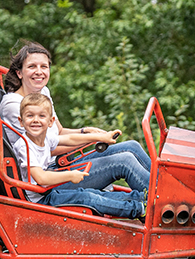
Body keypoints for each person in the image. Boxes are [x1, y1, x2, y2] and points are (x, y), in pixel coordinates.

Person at [0, 42, 150, 193]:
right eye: (32, 67)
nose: (39, 72)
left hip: (61, 162)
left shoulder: (42, 92)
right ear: (19, 72)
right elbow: (45, 148)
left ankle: (165, 189)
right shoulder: (15, 105)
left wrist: (84, 131)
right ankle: (163, 203)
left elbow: (60, 131)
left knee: (132, 146)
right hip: (48, 174)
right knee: (124, 161)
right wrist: (90, 139)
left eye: (44, 67)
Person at [13, 93, 146, 219]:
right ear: (21, 121)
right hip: (39, 199)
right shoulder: (25, 146)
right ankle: (139, 209)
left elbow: (70, 139)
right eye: (30, 116)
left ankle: (142, 198)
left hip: (46, 190)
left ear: (50, 121)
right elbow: (41, 178)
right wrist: (70, 175)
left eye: (41, 116)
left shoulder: (45, 137)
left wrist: (101, 136)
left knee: (95, 194)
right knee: (88, 198)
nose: (36, 120)